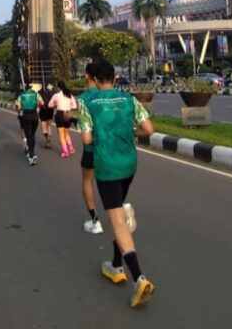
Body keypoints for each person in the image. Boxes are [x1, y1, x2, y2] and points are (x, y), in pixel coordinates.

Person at [76, 61, 156, 308]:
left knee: (118, 220)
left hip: (107, 166)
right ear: (115, 77)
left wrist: (100, 138)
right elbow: (149, 129)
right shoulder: (129, 100)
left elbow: (87, 138)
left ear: (95, 80)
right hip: (129, 163)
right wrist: (128, 133)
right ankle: (116, 265)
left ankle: (139, 278)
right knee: (117, 212)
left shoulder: (87, 102)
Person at [77, 62, 103, 235]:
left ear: (87, 76)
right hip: (110, 148)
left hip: (91, 150)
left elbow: (85, 133)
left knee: (87, 182)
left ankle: (95, 221)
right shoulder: (107, 95)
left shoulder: (83, 99)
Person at [15, 83, 44, 166]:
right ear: (31, 86)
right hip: (35, 116)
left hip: (26, 116)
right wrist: (37, 106)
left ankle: (31, 155)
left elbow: (18, 107)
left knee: (29, 136)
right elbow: (42, 103)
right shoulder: (36, 94)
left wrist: (22, 107)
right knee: (32, 135)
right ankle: (31, 152)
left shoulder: (21, 95)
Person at [47, 81, 77, 158]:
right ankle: (71, 148)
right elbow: (74, 106)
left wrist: (56, 104)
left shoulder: (56, 95)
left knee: (61, 135)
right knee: (67, 133)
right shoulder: (70, 95)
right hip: (68, 114)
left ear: (58, 87)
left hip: (60, 114)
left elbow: (49, 105)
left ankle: (65, 152)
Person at [38, 83, 55, 149]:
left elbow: (39, 102)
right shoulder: (51, 92)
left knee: (43, 125)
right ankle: (49, 139)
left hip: (42, 110)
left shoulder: (39, 92)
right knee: (49, 126)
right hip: (50, 110)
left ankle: (46, 138)